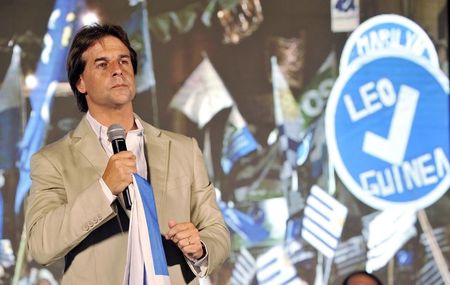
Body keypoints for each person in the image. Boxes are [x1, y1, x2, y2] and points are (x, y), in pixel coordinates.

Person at [25, 23, 230, 285]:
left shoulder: (183, 149)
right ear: (80, 82)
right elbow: (41, 246)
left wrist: (201, 247)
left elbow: (218, 233)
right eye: (102, 64)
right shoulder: (52, 160)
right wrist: (104, 188)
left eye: (124, 61)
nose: (118, 70)